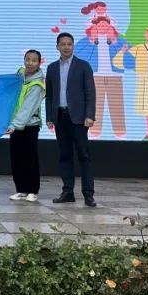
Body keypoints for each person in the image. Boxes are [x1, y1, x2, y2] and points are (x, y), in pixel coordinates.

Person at [44, 31, 98, 207]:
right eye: (63, 44)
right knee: (65, 155)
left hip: (79, 118)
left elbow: (90, 92)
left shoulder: (83, 66)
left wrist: (90, 115)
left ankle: (88, 194)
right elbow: (49, 95)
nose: (66, 47)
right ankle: (67, 192)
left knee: (84, 155)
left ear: (73, 46)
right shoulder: (52, 68)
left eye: (69, 44)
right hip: (60, 117)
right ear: (57, 46)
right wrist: (49, 117)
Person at [74, 1, 129, 139]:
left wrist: (116, 44)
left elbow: (132, 61)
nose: (103, 27)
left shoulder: (119, 41)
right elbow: (76, 57)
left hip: (115, 77)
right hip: (94, 77)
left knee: (116, 105)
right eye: (99, 25)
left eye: (106, 25)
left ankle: (120, 133)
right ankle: (94, 133)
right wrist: (91, 41)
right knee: (95, 105)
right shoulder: (86, 41)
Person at [4, 50, 46, 202]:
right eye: (28, 59)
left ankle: (32, 191)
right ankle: (21, 189)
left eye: (34, 60)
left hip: (29, 126)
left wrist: (15, 124)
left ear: (39, 63)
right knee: (16, 158)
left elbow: (28, 108)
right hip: (15, 125)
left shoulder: (37, 84)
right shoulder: (20, 75)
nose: (30, 63)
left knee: (30, 158)